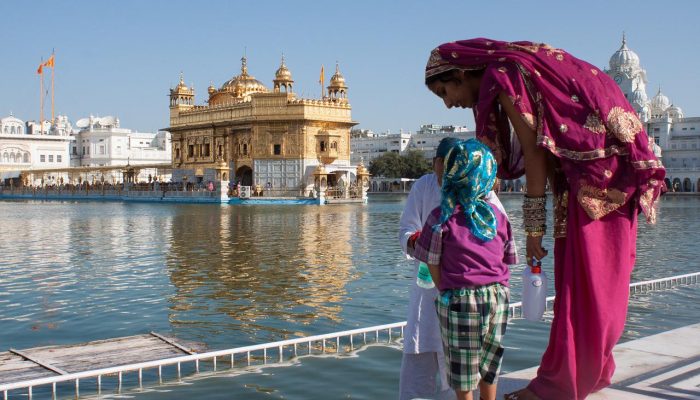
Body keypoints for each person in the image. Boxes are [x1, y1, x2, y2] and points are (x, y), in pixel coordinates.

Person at [424, 39, 666, 400]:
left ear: (461, 72)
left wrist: (534, 230)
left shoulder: (503, 75)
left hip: (592, 179)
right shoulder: (520, 65)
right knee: (602, 283)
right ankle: (589, 372)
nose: (449, 103)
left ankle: (558, 386)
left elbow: (535, 153)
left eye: (446, 90)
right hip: (612, 172)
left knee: (582, 283)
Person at [399, 137, 508, 400]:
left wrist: (442, 260)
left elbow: (499, 244)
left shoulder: (481, 191)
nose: (443, 171)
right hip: (433, 293)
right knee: (424, 356)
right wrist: (424, 245)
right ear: (434, 163)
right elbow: (405, 232)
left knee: (464, 367)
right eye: (439, 163)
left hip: (458, 296)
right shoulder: (423, 186)